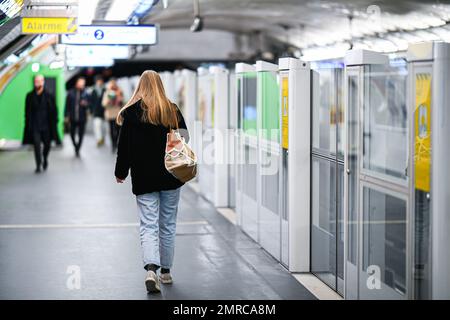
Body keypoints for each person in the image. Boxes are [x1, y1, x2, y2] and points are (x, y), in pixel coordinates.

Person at [114, 70, 189, 293]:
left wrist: (121, 172)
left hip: (144, 178)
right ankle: (166, 272)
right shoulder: (171, 109)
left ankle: (150, 270)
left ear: (140, 86)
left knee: (148, 225)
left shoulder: (130, 113)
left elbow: (123, 148)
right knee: (167, 224)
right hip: (170, 176)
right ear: (159, 85)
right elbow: (185, 137)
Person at [23, 74, 60, 173]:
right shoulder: (29, 96)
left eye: (39, 81)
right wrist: (27, 124)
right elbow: (26, 112)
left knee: (47, 145)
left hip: (47, 126)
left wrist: (55, 122)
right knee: (36, 145)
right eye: (36, 81)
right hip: (35, 126)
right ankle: (38, 164)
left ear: (43, 82)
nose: (37, 83)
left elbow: (54, 111)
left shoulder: (49, 96)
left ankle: (45, 157)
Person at [65, 77, 90, 157]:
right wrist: (66, 115)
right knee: (71, 133)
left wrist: (85, 104)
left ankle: (78, 148)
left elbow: (90, 104)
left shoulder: (86, 93)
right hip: (72, 117)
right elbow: (67, 105)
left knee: (81, 134)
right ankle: (75, 146)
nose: (82, 85)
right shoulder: (71, 93)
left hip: (82, 117)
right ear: (77, 83)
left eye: (83, 83)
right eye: (81, 83)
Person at [102, 78, 123, 152]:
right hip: (110, 114)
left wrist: (120, 99)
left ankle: (117, 143)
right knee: (111, 130)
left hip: (117, 114)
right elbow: (103, 104)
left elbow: (123, 103)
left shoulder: (119, 91)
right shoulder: (107, 92)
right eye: (112, 83)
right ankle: (113, 144)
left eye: (114, 83)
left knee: (118, 130)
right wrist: (109, 100)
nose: (113, 85)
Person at [90, 75, 106, 147]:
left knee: (103, 127)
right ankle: (99, 139)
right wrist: (91, 111)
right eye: (98, 81)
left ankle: (102, 138)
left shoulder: (105, 90)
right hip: (96, 112)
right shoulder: (93, 90)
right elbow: (91, 102)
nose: (99, 82)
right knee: (97, 126)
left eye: (100, 81)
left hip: (104, 111)